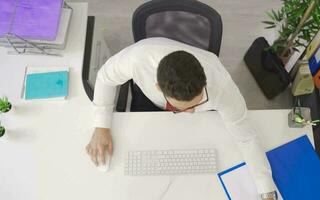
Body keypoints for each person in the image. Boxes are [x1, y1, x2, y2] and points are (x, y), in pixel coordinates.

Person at [85, 37, 278, 199]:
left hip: (202, 124)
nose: (191, 112)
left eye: (197, 103)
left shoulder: (222, 87)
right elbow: (104, 77)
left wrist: (266, 191)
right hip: (152, 107)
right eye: (185, 108)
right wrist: (101, 126)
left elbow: (246, 137)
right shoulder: (138, 58)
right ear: (160, 88)